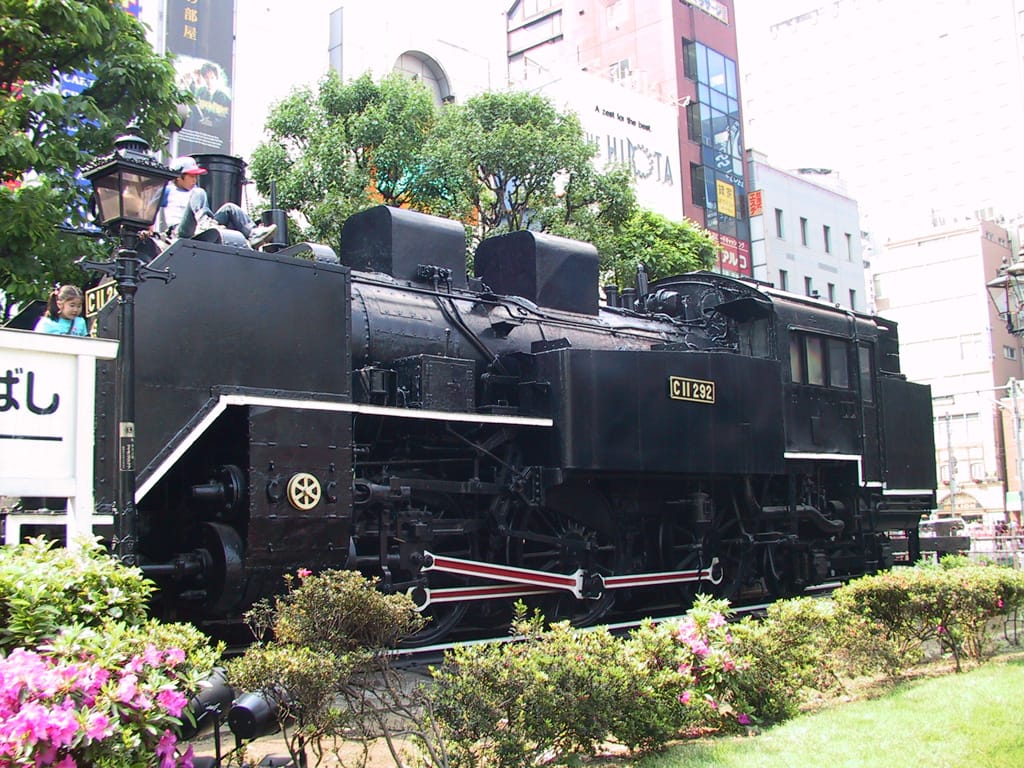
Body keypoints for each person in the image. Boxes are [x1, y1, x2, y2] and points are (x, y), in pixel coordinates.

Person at [154, 156, 276, 249]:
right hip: (181, 232)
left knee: (230, 207)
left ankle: (254, 234)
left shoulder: (195, 191)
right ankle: (204, 223)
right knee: (199, 192)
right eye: (191, 176)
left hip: (202, 226)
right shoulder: (168, 191)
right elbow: (150, 209)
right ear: (178, 176)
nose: (195, 180)